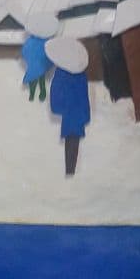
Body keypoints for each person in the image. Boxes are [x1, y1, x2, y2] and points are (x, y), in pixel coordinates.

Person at [45, 37, 91, 177]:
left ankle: (69, 170)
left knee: (69, 142)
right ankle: (71, 169)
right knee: (74, 142)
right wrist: (86, 114)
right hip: (78, 113)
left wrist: (57, 107)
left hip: (68, 113)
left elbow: (55, 92)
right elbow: (84, 95)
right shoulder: (81, 74)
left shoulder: (61, 73)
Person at [20, 13, 59, 102]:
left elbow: (25, 51)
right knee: (40, 77)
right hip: (41, 64)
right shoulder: (47, 42)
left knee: (34, 78)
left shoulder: (30, 41)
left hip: (34, 64)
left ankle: (33, 93)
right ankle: (41, 93)